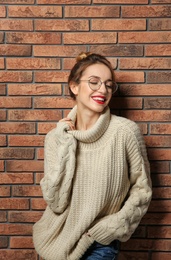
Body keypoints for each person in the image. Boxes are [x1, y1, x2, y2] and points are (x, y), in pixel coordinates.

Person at [33, 52, 152, 260]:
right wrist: (65, 143)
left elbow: (142, 191)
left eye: (108, 84)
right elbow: (56, 202)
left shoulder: (125, 132)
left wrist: (109, 229)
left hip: (98, 245)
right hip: (54, 244)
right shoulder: (56, 138)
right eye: (94, 82)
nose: (103, 90)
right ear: (74, 87)